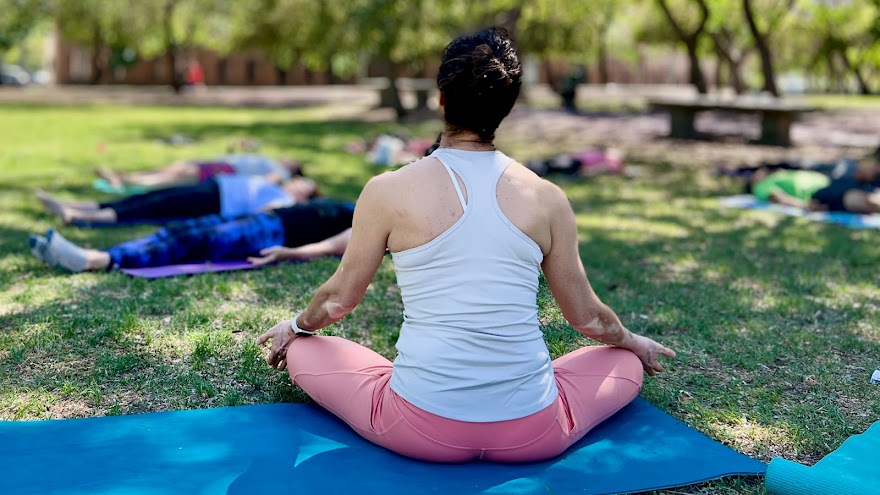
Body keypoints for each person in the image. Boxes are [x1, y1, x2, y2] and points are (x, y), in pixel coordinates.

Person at [255, 28, 675, 464]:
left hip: (418, 426)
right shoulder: (547, 198)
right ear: (507, 106)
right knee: (622, 361)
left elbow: (340, 298)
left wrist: (296, 327)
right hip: (534, 430)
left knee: (306, 348)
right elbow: (587, 317)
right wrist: (633, 341)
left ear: (441, 98)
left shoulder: (387, 190)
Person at [28, 199, 354, 273]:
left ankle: (94, 261)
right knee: (178, 230)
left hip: (274, 232)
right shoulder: (368, 201)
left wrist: (290, 253)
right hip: (266, 217)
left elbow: (335, 244)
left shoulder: (376, 224)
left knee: (189, 244)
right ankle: (99, 252)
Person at [36, 175, 319, 225]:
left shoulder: (287, 203)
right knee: (148, 197)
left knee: (150, 208)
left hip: (215, 202)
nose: (296, 181)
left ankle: (79, 216)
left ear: (306, 196)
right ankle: (75, 206)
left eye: (303, 184)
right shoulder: (278, 186)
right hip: (212, 188)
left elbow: (263, 213)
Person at [96, 154, 303, 189]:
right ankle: (124, 176)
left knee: (172, 177)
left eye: (292, 160)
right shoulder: (272, 162)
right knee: (173, 168)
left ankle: (125, 182)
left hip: (223, 171)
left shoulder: (281, 171)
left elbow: (270, 181)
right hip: (217, 163)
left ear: (293, 167)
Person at [746, 166, 880, 213]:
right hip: (820, 192)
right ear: (752, 182)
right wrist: (805, 206)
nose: (759, 171)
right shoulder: (761, 186)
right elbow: (777, 197)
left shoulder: (777, 173)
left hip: (832, 181)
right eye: (755, 174)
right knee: (860, 199)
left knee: (867, 172)